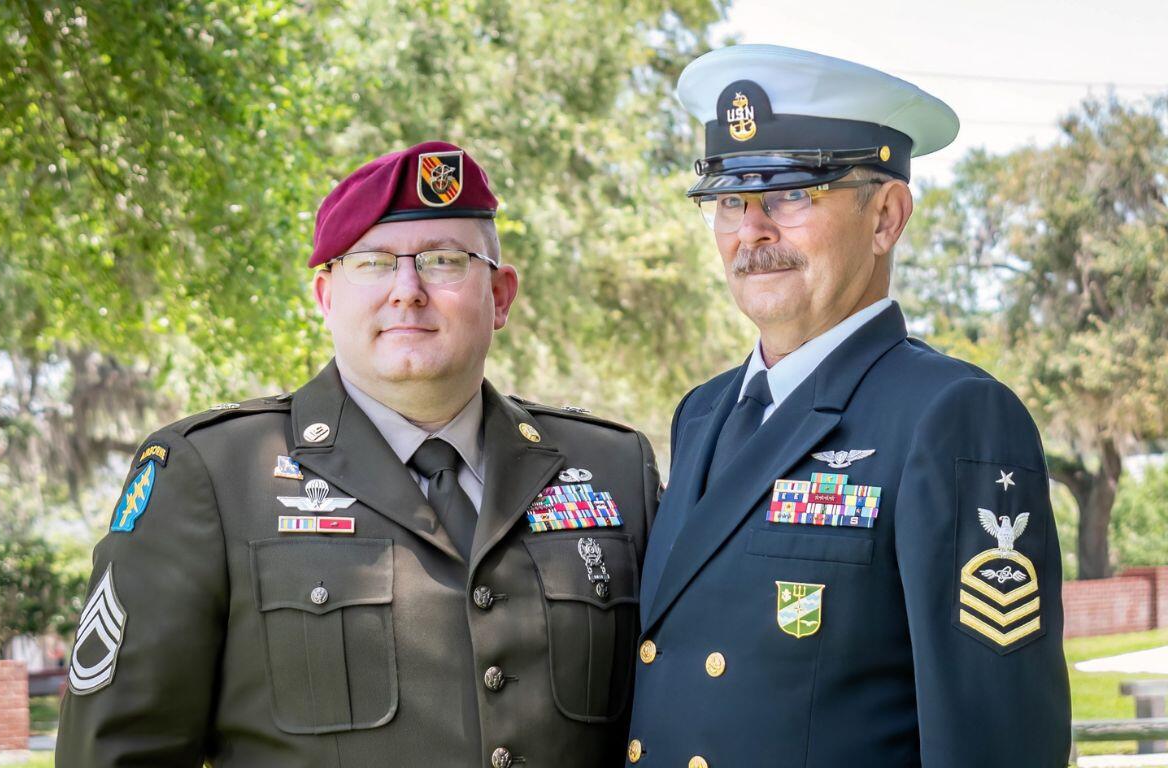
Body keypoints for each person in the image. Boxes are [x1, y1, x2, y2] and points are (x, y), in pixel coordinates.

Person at [57, 141, 659, 768]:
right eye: (371, 263)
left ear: (501, 294)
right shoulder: (212, 475)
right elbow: (116, 753)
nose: (407, 290)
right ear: (325, 297)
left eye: (444, 260)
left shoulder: (613, 471)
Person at [626, 45, 1071, 768]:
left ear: (886, 218)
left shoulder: (950, 417)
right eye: (731, 200)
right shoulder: (703, 413)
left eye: (792, 194)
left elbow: (996, 738)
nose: (752, 232)